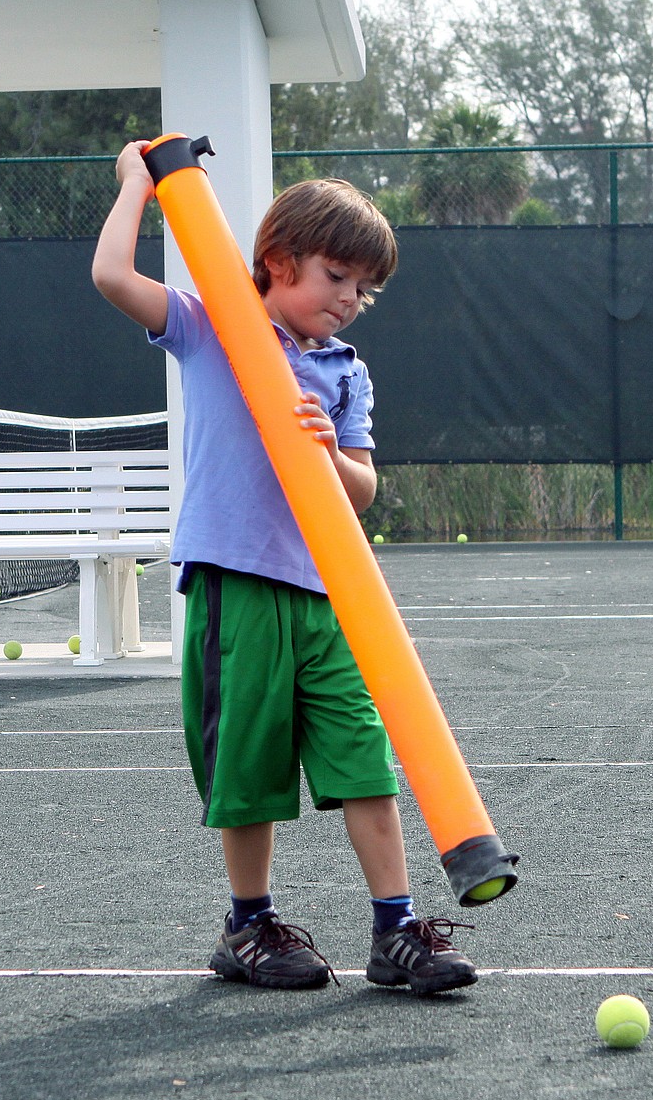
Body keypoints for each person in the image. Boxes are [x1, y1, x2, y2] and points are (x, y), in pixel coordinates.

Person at [92, 141, 477, 995]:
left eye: (363, 289)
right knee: (250, 767)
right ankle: (249, 923)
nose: (348, 300)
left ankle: (395, 929)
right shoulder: (215, 326)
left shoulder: (345, 371)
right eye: (336, 275)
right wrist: (136, 187)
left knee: (365, 760)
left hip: (334, 597)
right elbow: (114, 277)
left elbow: (365, 486)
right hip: (237, 584)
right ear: (277, 261)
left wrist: (326, 448)